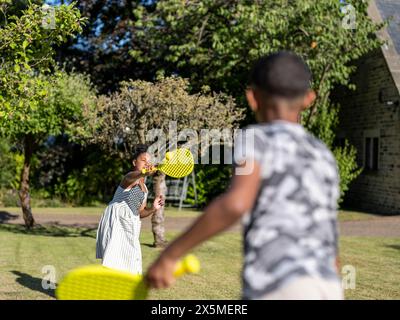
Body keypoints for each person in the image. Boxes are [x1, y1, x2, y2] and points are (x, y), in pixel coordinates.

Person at [145, 51, 343, 300]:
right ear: (309, 99)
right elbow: (328, 232)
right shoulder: (322, 154)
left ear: (252, 97)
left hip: (277, 284)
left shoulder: (256, 139)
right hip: (328, 286)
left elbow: (236, 203)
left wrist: (171, 255)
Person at [96, 144, 165, 274]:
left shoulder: (145, 189)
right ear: (134, 162)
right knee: (113, 262)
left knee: (131, 261)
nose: (147, 163)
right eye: (143, 160)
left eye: (149, 161)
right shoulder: (130, 178)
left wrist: (153, 208)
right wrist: (143, 172)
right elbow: (131, 177)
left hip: (130, 224)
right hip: (116, 221)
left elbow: (140, 212)